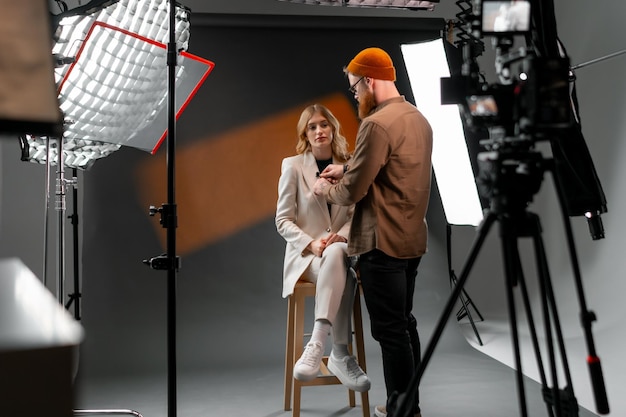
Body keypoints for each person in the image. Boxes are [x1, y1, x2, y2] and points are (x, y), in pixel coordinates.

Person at [313, 47, 433, 417]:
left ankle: (401, 411)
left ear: (369, 81)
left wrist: (326, 188)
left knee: (390, 332)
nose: (354, 95)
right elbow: (389, 171)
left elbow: (353, 193)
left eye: (354, 89)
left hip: (381, 243)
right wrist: (346, 167)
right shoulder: (418, 118)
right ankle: (408, 404)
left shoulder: (376, 123)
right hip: (411, 239)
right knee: (404, 324)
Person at [275, 103, 370, 393]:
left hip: (339, 252)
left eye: (323, 124)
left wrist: (340, 236)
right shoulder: (292, 166)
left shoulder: (349, 164)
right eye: (312, 126)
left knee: (339, 256)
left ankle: (319, 343)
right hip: (307, 259)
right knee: (343, 268)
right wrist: (312, 242)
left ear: (333, 128)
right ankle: (339, 352)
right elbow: (283, 220)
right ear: (306, 133)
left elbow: (357, 215)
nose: (319, 131)